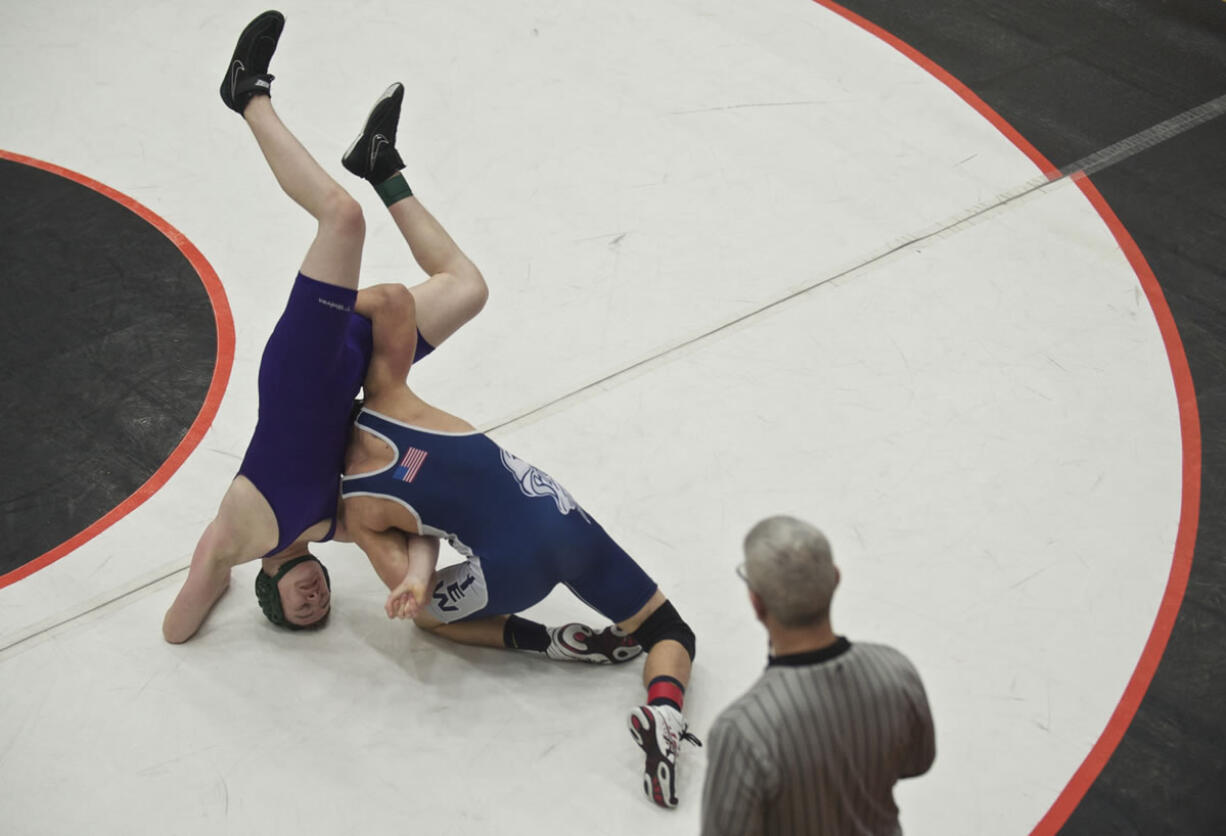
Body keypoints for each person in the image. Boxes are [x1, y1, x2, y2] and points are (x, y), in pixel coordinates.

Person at [162, 11, 486, 643]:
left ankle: (247, 95)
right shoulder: (336, 526)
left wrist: (212, 577)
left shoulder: (235, 535)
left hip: (302, 372)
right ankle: (382, 163)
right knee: (467, 289)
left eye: (296, 607)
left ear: (267, 594)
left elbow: (176, 631)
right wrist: (420, 571)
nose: (313, 599)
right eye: (321, 608)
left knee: (341, 218)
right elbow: (413, 534)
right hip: (353, 371)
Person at [337, 260, 702, 808]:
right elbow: (391, 298)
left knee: (431, 625)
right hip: (563, 515)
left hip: (510, 567)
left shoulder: (360, 505)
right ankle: (666, 713)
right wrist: (323, 311)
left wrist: (414, 580)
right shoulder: (391, 396)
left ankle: (552, 641)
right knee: (669, 629)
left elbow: (418, 600)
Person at [700, 516, 935, 835]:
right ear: (835, 578)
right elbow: (918, 761)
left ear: (757, 604)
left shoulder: (743, 731)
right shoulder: (895, 670)